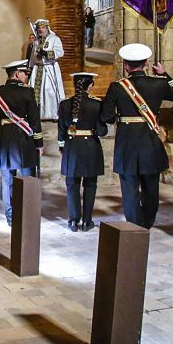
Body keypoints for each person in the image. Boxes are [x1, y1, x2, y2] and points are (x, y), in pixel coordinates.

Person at [100, 43, 173, 229]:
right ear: (146, 64)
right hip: (150, 141)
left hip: (127, 143)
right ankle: (147, 222)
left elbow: (106, 116)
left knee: (129, 186)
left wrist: (118, 117)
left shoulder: (117, 87)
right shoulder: (159, 83)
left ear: (126, 66)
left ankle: (133, 223)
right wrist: (164, 74)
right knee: (151, 185)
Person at [0, 58, 43, 228]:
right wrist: (39, 143)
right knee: (27, 177)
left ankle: (10, 217)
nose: (26, 76)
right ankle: (26, 214)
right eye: (25, 73)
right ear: (17, 73)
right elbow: (34, 119)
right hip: (25, 138)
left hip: (5, 138)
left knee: (7, 179)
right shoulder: (27, 92)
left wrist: (7, 122)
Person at [57, 72, 107, 232]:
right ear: (90, 85)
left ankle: (73, 220)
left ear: (74, 85)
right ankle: (87, 221)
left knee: (72, 185)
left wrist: (63, 147)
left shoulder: (65, 104)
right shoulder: (97, 104)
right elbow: (101, 131)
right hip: (91, 146)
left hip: (72, 147)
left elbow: (61, 131)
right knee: (90, 185)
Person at [24, 18, 65, 121]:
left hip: (49, 68)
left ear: (47, 28)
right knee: (35, 92)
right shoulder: (36, 41)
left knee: (50, 92)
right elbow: (33, 57)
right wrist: (30, 68)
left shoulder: (54, 39)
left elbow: (60, 52)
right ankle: (38, 115)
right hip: (37, 69)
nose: (41, 30)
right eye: (39, 28)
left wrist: (47, 53)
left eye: (43, 28)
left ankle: (53, 115)